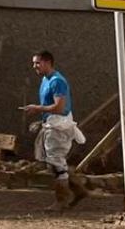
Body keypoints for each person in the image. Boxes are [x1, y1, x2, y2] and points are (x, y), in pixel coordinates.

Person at [22, 51, 90, 209]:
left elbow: (59, 107)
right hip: (52, 124)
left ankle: (61, 200)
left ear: (47, 62)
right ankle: (78, 190)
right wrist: (42, 119)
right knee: (55, 163)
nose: (35, 66)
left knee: (57, 164)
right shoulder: (46, 80)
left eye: (37, 63)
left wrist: (37, 109)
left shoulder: (57, 81)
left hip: (59, 126)